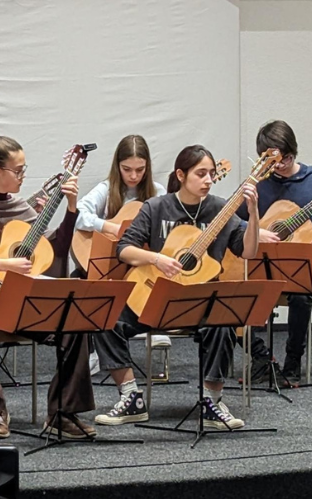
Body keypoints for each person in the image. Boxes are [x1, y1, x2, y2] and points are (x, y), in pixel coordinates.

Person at [0, 126, 95, 439]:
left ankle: (62, 414)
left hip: (22, 304)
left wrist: (72, 209)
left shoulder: (18, 207)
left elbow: (56, 250)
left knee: (75, 325)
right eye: (18, 170)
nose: (23, 175)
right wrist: (1, 264)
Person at [93, 145, 260, 430]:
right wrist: (157, 259)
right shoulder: (157, 207)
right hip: (155, 297)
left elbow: (249, 251)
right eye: (201, 173)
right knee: (102, 315)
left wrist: (253, 212)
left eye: (211, 174)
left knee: (224, 321)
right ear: (181, 175)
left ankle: (212, 401)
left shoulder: (220, 209)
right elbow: (124, 249)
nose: (208, 180)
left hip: (200, 301)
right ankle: (131, 396)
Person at [238, 120, 312, 385]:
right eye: (274, 162)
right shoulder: (259, 183)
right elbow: (228, 220)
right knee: (228, 298)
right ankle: (262, 357)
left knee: (301, 297)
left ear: (294, 152)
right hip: (262, 266)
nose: (280, 166)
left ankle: (292, 363)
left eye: (287, 158)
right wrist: (257, 232)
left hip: (302, 268)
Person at [74, 135, 170, 373]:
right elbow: (77, 214)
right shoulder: (106, 189)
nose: (134, 176)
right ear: (117, 166)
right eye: (127, 169)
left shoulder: (157, 192)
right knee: (82, 281)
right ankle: (95, 348)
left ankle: (151, 326)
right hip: (111, 265)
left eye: (140, 170)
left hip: (142, 265)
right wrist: (111, 227)